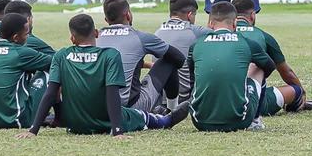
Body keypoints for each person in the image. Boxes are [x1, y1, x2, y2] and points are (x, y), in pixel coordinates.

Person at [18, 15, 188, 139]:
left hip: (74, 124)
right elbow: (112, 92)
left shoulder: (61, 55)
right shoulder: (109, 55)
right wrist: (117, 131)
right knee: (141, 116)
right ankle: (166, 120)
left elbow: (51, 92)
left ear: (72, 38)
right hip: (104, 119)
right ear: (97, 33)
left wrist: (33, 130)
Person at [188, 1, 289, 132]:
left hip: (199, 122)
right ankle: (255, 121)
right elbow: (269, 66)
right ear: (235, 22)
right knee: (258, 67)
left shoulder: (197, 44)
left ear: (211, 24)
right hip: (239, 120)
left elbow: (191, 74)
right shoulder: (246, 42)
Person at [97, 0, 187, 113]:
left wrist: (147, 64)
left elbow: (116, 60)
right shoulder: (140, 37)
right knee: (169, 60)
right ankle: (171, 111)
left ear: (106, 19)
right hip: (129, 108)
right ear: (128, 15)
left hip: (98, 105)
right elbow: (179, 58)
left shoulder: (96, 38)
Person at [232, 0, 312, 112]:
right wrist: (302, 92)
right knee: (296, 90)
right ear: (252, 15)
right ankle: (296, 104)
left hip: (218, 98)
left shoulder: (214, 36)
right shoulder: (263, 36)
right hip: (252, 101)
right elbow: (287, 73)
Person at [0, 13, 54, 129]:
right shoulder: (20, 53)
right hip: (15, 120)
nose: (28, 37)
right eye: (26, 34)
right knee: (48, 72)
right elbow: (55, 62)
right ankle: (59, 116)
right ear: (15, 37)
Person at [154, 0, 211, 106]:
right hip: (183, 97)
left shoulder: (157, 31)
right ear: (190, 15)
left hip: (158, 97)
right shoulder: (194, 30)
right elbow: (220, 34)